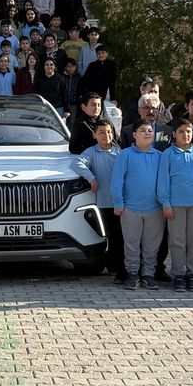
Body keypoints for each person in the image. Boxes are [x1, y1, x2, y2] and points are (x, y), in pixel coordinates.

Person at [158, 119, 193, 292]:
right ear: (174, 134)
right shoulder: (167, 154)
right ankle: (178, 274)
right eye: (181, 131)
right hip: (175, 205)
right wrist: (165, 203)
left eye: (189, 131)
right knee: (177, 241)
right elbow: (163, 181)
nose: (186, 135)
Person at [111, 122, 165, 290]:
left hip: (155, 209)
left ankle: (148, 274)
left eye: (150, 131)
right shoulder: (125, 155)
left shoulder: (160, 156)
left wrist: (165, 204)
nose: (147, 133)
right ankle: (132, 273)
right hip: (130, 209)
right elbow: (117, 179)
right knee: (131, 244)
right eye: (143, 131)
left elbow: (166, 182)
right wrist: (118, 202)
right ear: (134, 135)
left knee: (152, 245)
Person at [73, 120, 125, 283]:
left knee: (120, 236)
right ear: (94, 135)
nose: (106, 135)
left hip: (121, 202)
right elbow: (76, 163)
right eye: (101, 132)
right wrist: (91, 178)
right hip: (104, 202)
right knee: (110, 235)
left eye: (109, 132)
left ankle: (119, 266)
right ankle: (112, 265)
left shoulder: (119, 153)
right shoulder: (91, 153)